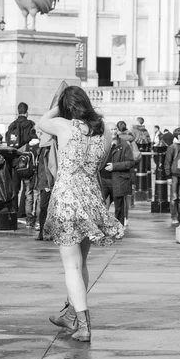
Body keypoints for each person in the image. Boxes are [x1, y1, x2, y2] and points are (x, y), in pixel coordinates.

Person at [38, 86, 124, 343]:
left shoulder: (64, 126)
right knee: (82, 264)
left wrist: (58, 101)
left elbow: (42, 121)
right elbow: (99, 164)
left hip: (67, 199)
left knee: (71, 266)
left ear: (67, 107)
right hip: (91, 197)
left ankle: (83, 324)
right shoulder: (102, 130)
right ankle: (72, 316)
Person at [100, 123, 134, 226]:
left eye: (115, 129)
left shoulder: (124, 145)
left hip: (118, 180)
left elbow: (130, 162)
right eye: (111, 129)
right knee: (99, 205)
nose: (113, 131)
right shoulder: (101, 142)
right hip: (103, 179)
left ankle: (119, 228)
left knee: (119, 207)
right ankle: (101, 227)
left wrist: (114, 166)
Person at [34, 130, 56, 241]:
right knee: (42, 209)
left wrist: (50, 183)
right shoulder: (42, 147)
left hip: (48, 183)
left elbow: (51, 167)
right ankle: (43, 232)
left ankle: (46, 232)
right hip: (42, 183)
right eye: (38, 132)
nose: (38, 135)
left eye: (41, 132)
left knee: (44, 207)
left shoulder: (50, 147)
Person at [117, 120, 136, 226]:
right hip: (128, 170)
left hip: (116, 169)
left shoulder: (117, 140)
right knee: (125, 197)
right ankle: (125, 218)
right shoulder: (131, 138)